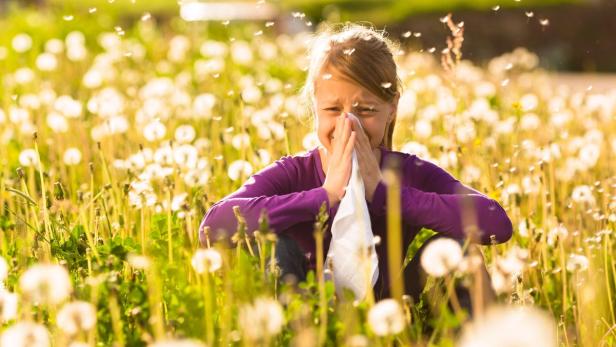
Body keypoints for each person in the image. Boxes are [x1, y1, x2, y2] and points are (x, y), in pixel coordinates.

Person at [198, 24, 513, 309]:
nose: (348, 123)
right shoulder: (295, 172)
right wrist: (325, 196)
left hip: (394, 311)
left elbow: (496, 222)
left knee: (458, 248)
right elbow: (213, 227)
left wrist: (387, 195)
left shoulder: (409, 172)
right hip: (306, 311)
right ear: (315, 108)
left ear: (392, 110)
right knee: (274, 245)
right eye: (333, 109)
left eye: (365, 109)